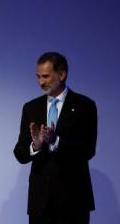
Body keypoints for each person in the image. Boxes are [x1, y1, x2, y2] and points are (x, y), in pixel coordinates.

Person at [13, 52, 97, 224]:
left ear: (62, 74)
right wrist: (35, 146)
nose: (40, 82)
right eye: (38, 77)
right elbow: (20, 153)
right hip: (40, 203)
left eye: (45, 76)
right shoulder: (30, 108)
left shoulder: (84, 106)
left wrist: (56, 141)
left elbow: (88, 149)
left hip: (73, 200)